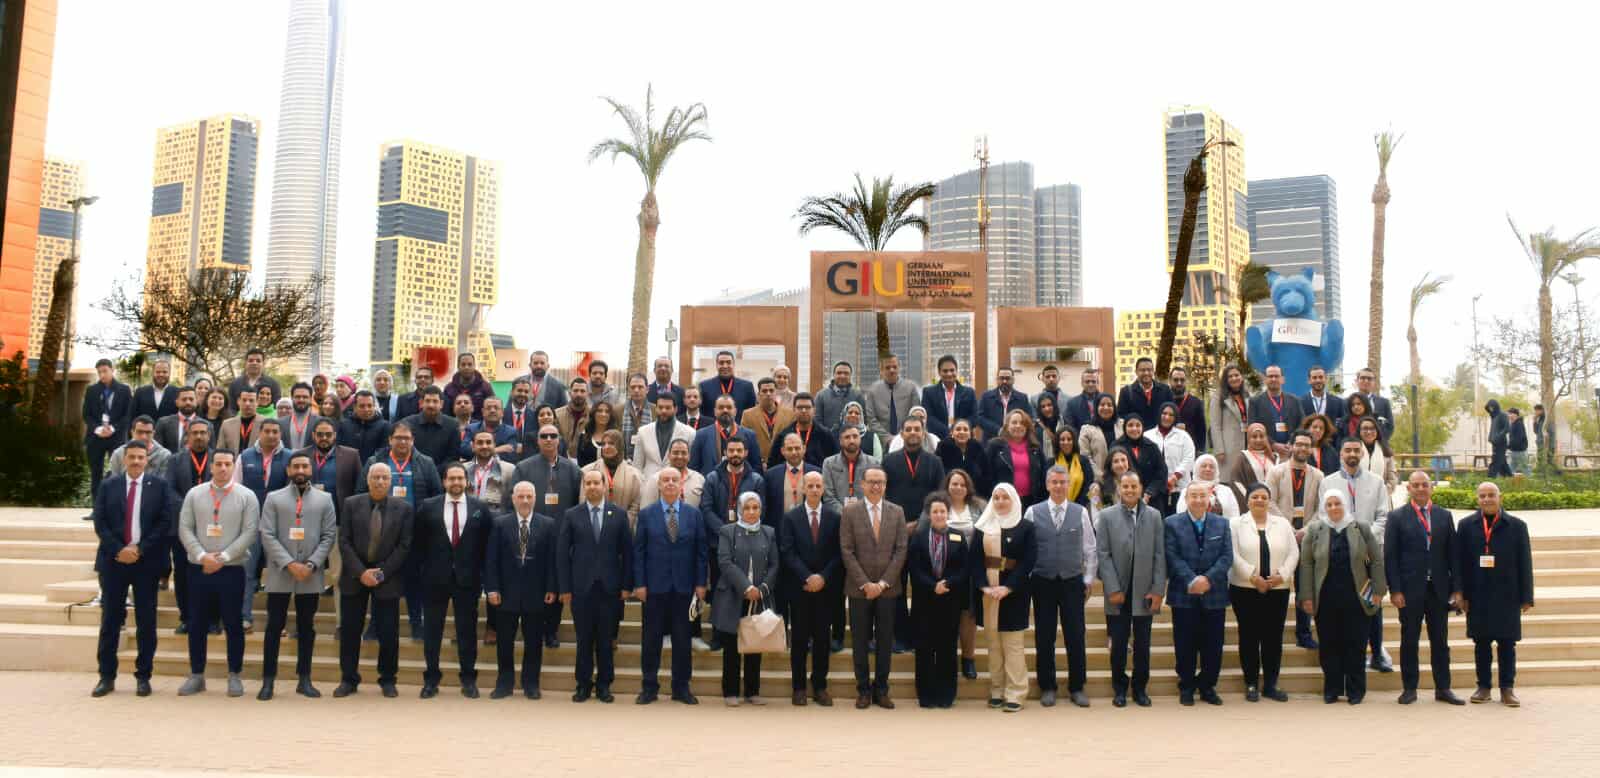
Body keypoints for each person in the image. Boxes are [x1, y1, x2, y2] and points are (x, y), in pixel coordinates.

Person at [91, 441, 178, 698]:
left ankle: (143, 676)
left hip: (146, 563)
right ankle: (106, 676)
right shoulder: (109, 485)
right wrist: (119, 549)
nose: (136, 461)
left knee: (146, 621)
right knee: (110, 620)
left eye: (141, 457)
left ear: (147, 460)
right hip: (113, 561)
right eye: (132, 457)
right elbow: (100, 522)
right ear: (124, 459)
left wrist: (139, 549)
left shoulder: (159, 486)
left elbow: (164, 522)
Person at [256, 452, 337, 700]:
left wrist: (311, 564)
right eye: (296, 466)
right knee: (274, 626)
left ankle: (304, 679)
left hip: (310, 574)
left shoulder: (325, 499)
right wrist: (290, 563)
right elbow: (267, 534)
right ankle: (268, 681)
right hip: (281, 571)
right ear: (288, 470)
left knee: (306, 627)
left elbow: (329, 535)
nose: (300, 470)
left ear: (311, 470)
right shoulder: (274, 498)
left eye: (305, 466)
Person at [172, 446, 251, 698]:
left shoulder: (246, 496)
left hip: (232, 569)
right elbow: (185, 528)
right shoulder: (194, 494)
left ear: (233, 466)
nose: (223, 468)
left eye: (228, 464)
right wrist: (201, 556)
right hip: (199, 568)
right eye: (218, 464)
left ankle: (234, 674)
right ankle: (197, 675)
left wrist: (224, 557)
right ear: (211, 466)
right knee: (196, 623)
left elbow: (250, 532)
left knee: (233, 623)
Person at [1299, 490, 1386, 704]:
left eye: (1337, 503)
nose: (1333, 508)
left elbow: (1376, 560)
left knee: (1356, 644)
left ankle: (1356, 690)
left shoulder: (1361, 528)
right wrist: (1306, 596)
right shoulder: (1315, 530)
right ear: (1324, 507)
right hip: (1326, 597)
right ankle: (1333, 689)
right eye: (1329, 504)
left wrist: (1378, 591)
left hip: (1357, 596)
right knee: (1329, 644)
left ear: (1345, 504)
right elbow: (1306, 564)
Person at [414, 463, 492, 698]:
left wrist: (483, 577)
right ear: (444, 481)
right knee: (432, 632)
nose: (456, 482)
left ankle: (468, 679)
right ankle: (431, 680)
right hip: (434, 579)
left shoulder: (480, 508)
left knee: (467, 632)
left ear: (467, 482)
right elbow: (418, 544)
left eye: (460, 478)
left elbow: (486, 546)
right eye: (452, 478)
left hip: (468, 580)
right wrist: (423, 573)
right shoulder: (428, 507)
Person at [335, 463, 414, 698]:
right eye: (376, 477)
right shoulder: (351, 504)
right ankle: (348, 679)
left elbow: (404, 545)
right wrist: (362, 572)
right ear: (368, 480)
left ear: (391, 481)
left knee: (389, 632)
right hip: (354, 576)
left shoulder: (404, 508)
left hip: (387, 577)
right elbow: (344, 541)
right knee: (350, 631)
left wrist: (380, 573)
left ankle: (388, 679)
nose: (380, 482)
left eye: (384, 478)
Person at [1385, 471, 1464, 705]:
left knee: (1440, 641)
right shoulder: (1396, 517)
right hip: (1409, 590)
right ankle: (1409, 688)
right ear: (1408, 488)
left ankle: (1443, 688)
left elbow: (1453, 555)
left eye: (1425, 485)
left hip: (1438, 589)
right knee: (1409, 640)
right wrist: (1395, 589)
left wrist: (1457, 589)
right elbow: (1391, 556)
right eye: (1416, 485)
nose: (1421, 488)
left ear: (1431, 488)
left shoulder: (1444, 516)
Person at [633, 468, 709, 705]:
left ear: (681, 485)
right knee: (651, 640)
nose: (669, 483)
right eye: (665, 480)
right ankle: (649, 687)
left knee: (683, 640)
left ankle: (681, 687)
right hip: (654, 587)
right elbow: (639, 553)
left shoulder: (693, 515)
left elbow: (701, 552)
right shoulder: (646, 515)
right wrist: (639, 584)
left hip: (684, 587)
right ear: (658, 485)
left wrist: (701, 583)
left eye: (674, 480)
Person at [1457, 481, 1535, 706]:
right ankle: (1483, 687)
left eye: (1491, 495)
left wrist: (1527, 596)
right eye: (1482, 496)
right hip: (1477, 594)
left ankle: (1507, 689)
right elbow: (1459, 562)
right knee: (1481, 643)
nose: (1487, 499)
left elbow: (1525, 562)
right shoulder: (1466, 526)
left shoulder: (1517, 526)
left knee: (1507, 644)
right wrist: (1461, 593)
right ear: (1477, 499)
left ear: (1500, 497)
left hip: (1507, 594)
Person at [558, 471, 633, 703]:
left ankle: (604, 685)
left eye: (596, 482)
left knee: (605, 640)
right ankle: (583, 684)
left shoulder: (619, 514)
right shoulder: (572, 515)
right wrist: (565, 588)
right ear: (584, 487)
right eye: (588, 483)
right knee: (583, 640)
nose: (592, 486)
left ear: (604, 486)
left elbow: (628, 553)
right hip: (581, 588)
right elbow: (562, 554)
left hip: (610, 589)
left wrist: (626, 585)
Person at [364, 422, 443, 640]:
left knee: (414, 579)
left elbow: (436, 495)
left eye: (407, 438)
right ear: (390, 439)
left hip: (415, 531)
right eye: (398, 438)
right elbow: (361, 492)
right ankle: (375, 624)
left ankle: (416, 622)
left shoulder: (426, 463)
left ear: (413, 440)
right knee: (380, 576)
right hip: (381, 530)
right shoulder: (375, 461)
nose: (403, 442)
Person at [1322, 437, 1394, 673]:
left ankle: (1377, 653)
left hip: (1369, 554)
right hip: (1340, 554)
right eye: (1348, 450)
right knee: (1346, 604)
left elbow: (1383, 515)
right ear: (1341, 454)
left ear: (1362, 454)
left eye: (1356, 450)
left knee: (1372, 603)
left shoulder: (1376, 482)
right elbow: (1323, 515)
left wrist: (1365, 538)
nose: (1352, 454)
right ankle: (1350, 654)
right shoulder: (1328, 481)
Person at [1028, 465, 1098, 708]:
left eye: (1062, 482)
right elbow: (1027, 548)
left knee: (1075, 635)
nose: (1058, 486)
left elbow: (1090, 548)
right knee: (1044, 635)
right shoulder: (1032, 512)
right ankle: (1047, 686)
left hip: (1072, 581)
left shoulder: (1080, 512)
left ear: (1069, 485)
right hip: (1043, 581)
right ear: (1047, 485)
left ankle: (1077, 687)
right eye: (1054, 482)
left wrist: (1088, 579)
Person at [1095, 471, 1166, 707]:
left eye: (1134, 486)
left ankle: (1140, 688)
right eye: (1125, 486)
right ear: (1119, 489)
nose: (1129, 490)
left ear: (1141, 488)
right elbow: (1103, 554)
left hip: (1145, 591)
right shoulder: (1106, 516)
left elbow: (1159, 555)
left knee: (1143, 644)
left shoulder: (1154, 516)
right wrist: (1112, 588)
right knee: (1118, 645)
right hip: (1118, 591)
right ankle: (1119, 689)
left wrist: (1158, 590)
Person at [508, 422, 582, 649]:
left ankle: (551, 630)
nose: (549, 439)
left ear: (559, 440)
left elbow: (578, 504)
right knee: (535, 583)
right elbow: (513, 501)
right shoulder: (523, 468)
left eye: (553, 435)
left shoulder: (573, 470)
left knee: (556, 584)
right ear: (538, 441)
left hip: (562, 536)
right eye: (544, 436)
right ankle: (533, 630)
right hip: (532, 535)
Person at [840, 466, 908, 709]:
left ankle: (881, 689)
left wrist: (882, 583)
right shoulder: (850, 512)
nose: (876, 486)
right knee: (859, 641)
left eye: (880, 482)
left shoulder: (897, 512)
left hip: (888, 589)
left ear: (886, 485)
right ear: (862, 484)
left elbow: (901, 550)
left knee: (885, 641)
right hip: (859, 589)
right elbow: (846, 550)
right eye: (871, 482)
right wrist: (865, 583)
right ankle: (863, 690)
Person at [484, 481, 559, 699]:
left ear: (535, 498)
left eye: (529, 496)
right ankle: (504, 684)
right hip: (505, 593)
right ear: (513, 499)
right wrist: (492, 588)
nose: (525, 501)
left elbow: (552, 560)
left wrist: (551, 587)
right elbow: (491, 560)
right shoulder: (500, 524)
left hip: (536, 593)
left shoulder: (548, 524)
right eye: (521, 496)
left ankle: (531, 684)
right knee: (504, 642)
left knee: (534, 642)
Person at [970, 483, 1036, 712]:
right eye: (996, 497)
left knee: (1013, 645)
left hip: (1014, 594)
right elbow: (975, 560)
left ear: (1014, 499)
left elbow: (1028, 561)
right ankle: (997, 689)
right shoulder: (983, 526)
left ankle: (1016, 692)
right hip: (988, 594)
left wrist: (1008, 587)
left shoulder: (1026, 527)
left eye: (1004, 497)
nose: (1000, 501)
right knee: (993, 645)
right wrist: (983, 586)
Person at [1230, 483, 1298, 702]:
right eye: (1255, 497)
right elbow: (1232, 554)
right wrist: (1253, 576)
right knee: (1248, 636)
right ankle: (1251, 683)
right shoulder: (1235, 524)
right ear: (1247, 500)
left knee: (1273, 638)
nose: (1259, 500)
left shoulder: (1282, 524)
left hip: (1277, 589)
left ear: (1269, 501)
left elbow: (1293, 553)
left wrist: (1282, 575)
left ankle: (1270, 684)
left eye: (1264, 497)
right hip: (1245, 589)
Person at [1165, 481, 1232, 706]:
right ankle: (1186, 686)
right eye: (1193, 495)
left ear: (1209, 498)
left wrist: (1208, 579)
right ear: (1186, 499)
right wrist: (1192, 579)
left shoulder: (1222, 523)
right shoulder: (1171, 523)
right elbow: (1172, 556)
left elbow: (1227, 557)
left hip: (1214, 594)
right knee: (1185, 644)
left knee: (1213, 645)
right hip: (1184, 593)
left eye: (1202, 495)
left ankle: (1207, 687)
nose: (1198, 500)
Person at [882, 416, 944, 653]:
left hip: (924, 534)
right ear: (901, 433)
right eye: (908, 429)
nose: (913, 433)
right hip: (895, 534)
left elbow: (939, 497)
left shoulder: (934, 462)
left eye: (917, 429)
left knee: (921, 586)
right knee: (897, 587)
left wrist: (919, 523)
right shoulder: (889, 461)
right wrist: (901, 524)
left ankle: (920, 636)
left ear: (923, 432)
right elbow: (883, 495)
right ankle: (900, 636)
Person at [713, 492, 779, 706]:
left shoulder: (769, 532)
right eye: (747, 508)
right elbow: (725, 562)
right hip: (733, 595)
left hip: (759, 596)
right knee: (731, 646)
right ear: (740, 510)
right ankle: (730, 691)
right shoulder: (727, 531)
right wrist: (746, 587)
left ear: (761, 510)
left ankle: (752, 691)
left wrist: (762, 589)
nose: (751, 512)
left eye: (755, 507)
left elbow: (775, 565)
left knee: (755, 644)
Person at [780, 471, 841, 705]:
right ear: (803, 489)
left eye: (818, 486)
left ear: (823, 489)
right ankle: (798, 687)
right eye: (811, 486)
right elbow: (787, 551)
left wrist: (822, 577)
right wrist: (807, 577)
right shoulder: (791, 517)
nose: (815, 489)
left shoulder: (834, 518)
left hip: (825, 588)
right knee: (799, 639)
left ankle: (820, 686)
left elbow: (838, 553)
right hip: (800, 588)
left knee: (822, 640)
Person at [908, 492, 968, 708]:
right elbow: (914, 568)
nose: (939, 514)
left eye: (943, 511)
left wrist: (947, 584)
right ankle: (926, 695)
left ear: (948, 513)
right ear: (929, 514)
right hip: (925, 600)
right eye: (935, 511)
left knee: (947, 648)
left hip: (950, 601)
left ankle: (946, 695)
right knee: (924, 648)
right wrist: (933, 586)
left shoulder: (958, 536)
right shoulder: (918, 537)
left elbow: (964, 569)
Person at [1266, 431, 1323, 650]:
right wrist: (1288, 528)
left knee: (1305, 586)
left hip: (1307, 538)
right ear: (1291, 446)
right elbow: (1269, 501)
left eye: (1306, 445)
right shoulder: (1276, 472)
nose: (1302, 448)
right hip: (1281, 536)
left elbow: (1321, 509)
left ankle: (1304, 633)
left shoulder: (1318, 476)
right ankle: (1273, 631)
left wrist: (1305, 530)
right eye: (1298, 444)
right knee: (1278, 585)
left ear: (1311, 449)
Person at [235, 418, 289, 631]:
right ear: (259, 433)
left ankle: (277, 622)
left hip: (278, 526)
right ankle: (244, 616)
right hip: (250, 525)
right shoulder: (245, 456)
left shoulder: (290, 457)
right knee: (247, 572)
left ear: (281, 434)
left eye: (276, 431)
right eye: (267, 431)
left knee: (278, 574)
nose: (272, 435)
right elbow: (236, 489)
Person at [166, 418, 213, 631]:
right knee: (183, 573)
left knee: (211, 572)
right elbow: (169, 490)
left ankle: (212, 619)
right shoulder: (175, 460)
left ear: (209, 435)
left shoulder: (218, 458)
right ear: (188, 436)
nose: (199, 436)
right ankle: (186, 618)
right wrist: (191, 506)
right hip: (182, 525)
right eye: (195, 433)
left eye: (203, 433)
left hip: (213, 525)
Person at [938, 468, 985, 678]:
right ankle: (946, 659)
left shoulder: (979, 507)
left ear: (968, 488)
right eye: (954, 484)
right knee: (946, 615)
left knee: (968, 615)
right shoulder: (938, 505)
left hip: (971, 570)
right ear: (947, 486)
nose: (958, 487)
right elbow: (925, 530)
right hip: (943, 569)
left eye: (962, 484)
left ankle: (968, 658)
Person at [83, 359, 134, 505]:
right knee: (96, 474)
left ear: (112, 370)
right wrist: (98, 428)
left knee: (118, 474)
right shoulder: (92, 390)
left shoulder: (124, 390)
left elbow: (128, 415)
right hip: (95, 438)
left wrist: (112, 428)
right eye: (99, 372)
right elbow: (86, 415)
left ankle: (116, 507)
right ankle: (97, 509)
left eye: (105, 371)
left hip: (116, 438)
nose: (102, 375)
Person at [581, 430, 645, 524]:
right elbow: (583, 501)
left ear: (620, 446)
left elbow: (636, 504)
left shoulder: (634, 475)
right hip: (594, 524)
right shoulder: (588, 471)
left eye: (611, 443)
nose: (606, 447)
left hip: (624, 525)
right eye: (603, 444)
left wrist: (623, 524)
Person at [984, 409, 1046, 505]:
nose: (1018, 425)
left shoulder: (1035, 448)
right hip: (1003, 501)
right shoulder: (994, 446)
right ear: (1007, 426)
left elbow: (1043, 476)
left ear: (1027, 427)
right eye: (1014, 422)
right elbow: (986, 475)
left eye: (1022, 423)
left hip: (1030, 501)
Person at [689, 394, 760, 476]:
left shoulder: (749, 435)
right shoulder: (701, 435)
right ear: (715, 411)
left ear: (735, 411)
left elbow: (756, 468)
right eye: (721, 407)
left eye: (729, 407)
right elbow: (693, 469)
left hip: (741, 482)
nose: (725, 410)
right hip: (711, 483)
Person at [763, 432, 822, 528]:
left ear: (804, 449)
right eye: (790, 449)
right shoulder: (771, 475)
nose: (794, 452)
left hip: (809, 528)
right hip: (780, 528)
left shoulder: (817, 473)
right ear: (782, 451)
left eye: (797, 448)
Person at [634, 393, 696, 484]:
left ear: (675, 409)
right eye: (660, 407)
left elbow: (690, 465)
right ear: (656, 408)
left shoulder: (689, 433)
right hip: (648, 484)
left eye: (668, 408)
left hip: (676, 484)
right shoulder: (642, 431)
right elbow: (637, 466)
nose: (663, 411)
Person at [862, 354, 918, 452]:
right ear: (881, 370)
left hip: (907, 441)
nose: (892, 370)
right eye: (887, 368)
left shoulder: (911, 388)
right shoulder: (872, 391)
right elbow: (871, 419)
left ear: (899, 368)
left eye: (894, 367)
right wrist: (887, 438)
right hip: (881, 444)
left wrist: (901, 437)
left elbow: (915, 414)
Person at [767, 392, 838, 469]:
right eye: (800, 407)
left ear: (814, 410)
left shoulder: (825, 435)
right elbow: (772, 465)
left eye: (807, 407)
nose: (804, 410)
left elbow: (835, 463)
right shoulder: (783, 436)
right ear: (794, 410)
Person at [1248, 365, 1305, 459]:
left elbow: (1302, 424)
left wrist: (1292, 442)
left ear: (1283, 379)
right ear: (1265, 379)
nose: (1273, 379)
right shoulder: (1255, 402)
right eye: (1270, 376)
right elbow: (1252, 427)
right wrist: (1273, 444)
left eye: (1276, 376)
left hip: (1291, 452)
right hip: (1266, 453)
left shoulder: (1295, 400)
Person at [1114, 416, 1169, 510]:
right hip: (1124, 496)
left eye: (1138, 425)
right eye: (1130, 425)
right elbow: (1111, 471)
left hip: (1151, 499)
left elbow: (1162, 472)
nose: (1134, 428)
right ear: (1124, 428)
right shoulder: (1117, 446)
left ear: (1142, 427)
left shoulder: (1151, 446)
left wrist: (1149, 493)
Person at [822, 424, 877, 515]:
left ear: (860, 439)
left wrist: (861, 512)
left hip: (865, 516)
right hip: (838, 517)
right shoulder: (829, 463)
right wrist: (845, 513)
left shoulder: (873, 463)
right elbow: (828, 497)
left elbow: (875, 493)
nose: (852, 440)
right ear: (840, 441)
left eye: (855, 436)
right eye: (847, 437)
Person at [1151, 402, 1196, 514]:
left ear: (1175, 417)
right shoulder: (1148, 435)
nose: (1167, 417)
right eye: (1164, 413)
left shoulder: (1184, 436)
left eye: (1171, 415)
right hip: (1155, 489)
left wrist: (1175, 476)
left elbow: (1189, 458)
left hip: (1179, 488)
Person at [402, 386, 461, 468]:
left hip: (443, 473)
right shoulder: (408, 423)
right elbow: (403, 452)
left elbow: (453, 457)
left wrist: (433, 472)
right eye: (427, 401)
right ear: (421, 403)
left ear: (441, 404)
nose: (431, 405)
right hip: (413, 471)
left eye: (435, 401)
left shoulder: (452, 425)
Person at [742, 377, 795, 465]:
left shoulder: (790, 414)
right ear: (758, 394)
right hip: (757, 464)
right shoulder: (748, 415)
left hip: (781, 463)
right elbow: (745, 442)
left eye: (771, 390)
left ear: (776, 393)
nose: (768, 394)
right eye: (764, 391)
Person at [640, 438, 706, 508]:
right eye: (675, 453)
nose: (680, 456)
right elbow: (646, 508)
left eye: (684, 453)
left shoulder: (699, 479)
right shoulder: (655, 479)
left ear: (689, 456)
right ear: (669, 456)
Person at [923, 354, 977, 440]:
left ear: (956, 371)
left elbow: (974, 417)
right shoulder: (929, 392)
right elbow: (929, 417)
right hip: (937, 438)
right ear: (939, 372)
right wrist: (948, 432)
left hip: (963, 438)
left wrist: (959, 429)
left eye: (952, 370)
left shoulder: (969, 392)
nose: (949, 374)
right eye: (945, 371)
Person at [1207, 363, 1250, 470]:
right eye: (1230, 376)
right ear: (1225, 380)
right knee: (1229, 476)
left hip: (1247, 444)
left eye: (1236, 375)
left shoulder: (1246, 395)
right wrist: (1219, 450)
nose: (1234, 378)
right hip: (1228, 447)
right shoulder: (1218, 397)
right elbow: (1215, 426)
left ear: (1241, 377)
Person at [976, 366, 1033, 441]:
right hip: (991, 440)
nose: (1004, 381)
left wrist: (1016, 429)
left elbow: (1029, 418)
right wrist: (998, 430)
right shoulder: (986, 397)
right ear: (997, 380)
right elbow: (979, 418)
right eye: (1001, 378)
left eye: (1007, 378)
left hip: (1015, 441)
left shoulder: (1022, 398)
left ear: (1013, 380)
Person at [697, 350, 757, 418]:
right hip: (713, 425)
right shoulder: (704, 387)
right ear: (716, 365)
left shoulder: (747, 387)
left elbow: (751, 415)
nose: (725, 366)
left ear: (733, 364)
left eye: (728, 362)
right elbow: (701, 415)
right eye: (721, 363)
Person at [108, 416, 173, 480]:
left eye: (148, 432)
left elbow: (162, 482)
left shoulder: (164, 455)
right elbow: (114, 482)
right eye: (140, 432)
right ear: (132, 432)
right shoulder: (118, 454)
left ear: (153, 433)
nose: (144, 437)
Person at [1117, 357, 1174, 430]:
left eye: (1149, 370)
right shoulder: (1126, 392)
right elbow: (1121, 417)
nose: (1146, 373)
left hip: (1160, 433)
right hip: (1137, 434)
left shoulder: (1165, 390)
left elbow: (1173, 412)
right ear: (1136, 372)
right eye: (1142, 370)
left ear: (1153, 371)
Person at [1227, 423, 1277, 505]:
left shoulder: (1274, 457)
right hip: (1253, 504)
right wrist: (1249, 500)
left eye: (1261, 436)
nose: (1258, 440)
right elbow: (1236, 482)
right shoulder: (1243, 457)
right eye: (1254, 436)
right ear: (1248, 439)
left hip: (1272, 504)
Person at [339, 391, 391, 464]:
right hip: (348, 467)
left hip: (374, 468)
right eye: (362, 406)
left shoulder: (385, 426)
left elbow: (384, 452)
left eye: (369, 406)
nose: (366, 409)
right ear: (354, 407)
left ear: (374, 406)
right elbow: (339, 451)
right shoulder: (344, 425)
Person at [1357, 417, 1397, 511]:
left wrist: (1383, 491)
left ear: (1377, 431)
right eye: (1365, 428)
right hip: (1357, 499)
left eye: (1372, 428)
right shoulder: (1352, 449)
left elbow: (1392, 477)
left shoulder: (1385, 450)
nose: (1369, 432)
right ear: (1359, 431)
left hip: (1382, 498)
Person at [461, 396, 518, 462]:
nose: (492, 411)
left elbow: (510, 456)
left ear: (502, 412)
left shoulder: (511, 431)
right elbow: (464, 451)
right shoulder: (471, 429)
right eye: (488, 408)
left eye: (496, 408)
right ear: (483, 412)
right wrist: (497, 450)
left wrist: (477, 449)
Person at [936, 418, 986, 492]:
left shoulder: (978, 448)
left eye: (965, 430)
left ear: (970, 434)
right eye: (958, 429)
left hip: (975, 492)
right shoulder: (942, 448)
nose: (962, 432)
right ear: (952, 433)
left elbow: (985, 474)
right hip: (948, 491)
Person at [442, 351, 494, 421]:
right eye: (463, 364)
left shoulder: (485, 387)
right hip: (454, 426)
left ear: (474, 366)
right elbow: (445, 414)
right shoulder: (449, 389)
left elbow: (492, 409)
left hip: (480, 426)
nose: (466, 367)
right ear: (458, 367)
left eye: (470, 364)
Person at [1078, 394, 1119, 483]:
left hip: (1122, 479)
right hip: (1096, 480)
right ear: (1096, 407)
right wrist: (1100, 476)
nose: (1106, 407)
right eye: (1102, 404)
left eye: (1109, 405)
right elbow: (1085, 456)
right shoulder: (1087, 429)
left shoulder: (1122, 425)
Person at [816, 360, 863, 434]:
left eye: (846, 373)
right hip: (827, 438)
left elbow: (863, 420)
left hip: (851, 438)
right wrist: (828, 434)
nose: (842, 376)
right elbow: (817, 421)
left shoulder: (858, 396)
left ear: (850, 376)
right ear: (833, 375)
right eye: (839, 373)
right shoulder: (821, 396)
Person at [1052, 426, 1094, 508]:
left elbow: (1089, 485)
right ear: (1057, 442)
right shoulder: (1051, 463)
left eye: (1069, 439)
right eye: (1062, 439)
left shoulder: (1083, 461)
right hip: (1056, 507)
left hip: (1080, 506)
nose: (1066, 442)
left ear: (1074, 441)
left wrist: (1076, 506)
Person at [1168, 366, 1208, 452]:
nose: (1179, 383)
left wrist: (1200, 451)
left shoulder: (1196, 403)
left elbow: (1201, 430)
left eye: (1182, 380)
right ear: (1170, 381)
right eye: (1175, 380)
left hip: (1190, 450)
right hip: (1168, 450)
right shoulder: (1164, 401)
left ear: (1186, 381)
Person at [1188, 454, 1240, 518]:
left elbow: (1235, 514)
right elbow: (1182, 515)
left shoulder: (1226, 490)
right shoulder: (1188, 490)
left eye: (1211, 467)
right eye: (1204, 466)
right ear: (1196, 469)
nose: (1208, 469)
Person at [130, 360, 177, 424]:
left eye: (165, 372)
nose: (161, 374)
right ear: (152, 373)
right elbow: (132, 416)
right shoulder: (140, 392)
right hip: (145, 430)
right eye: (158, 372)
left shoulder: (177, 393)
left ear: (169, 374)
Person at [617, 373, 651, 461]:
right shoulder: (618, 410)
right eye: (633, 387)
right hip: (623, 460)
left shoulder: (655, 410)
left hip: (648, 460)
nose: (636, 390)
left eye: (640, 387)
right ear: (628, 389)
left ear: (647, 389)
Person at [1354, 367, 1395, 440]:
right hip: (1354, 444)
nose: (1366, 381)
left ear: (1374, 382)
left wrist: (1379, 441)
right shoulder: (1346, 402)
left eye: (1369, 379)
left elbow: (1390, 427)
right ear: (1357, 381)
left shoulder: (1384, 402)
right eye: (1363, 378)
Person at [575, 400, 617, 467]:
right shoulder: (584, 436)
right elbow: (580, 463)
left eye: (607, 411)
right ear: (593, 413)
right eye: (599, 411)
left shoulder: (617, 437)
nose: (603, 414)